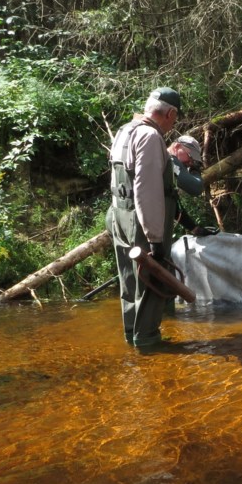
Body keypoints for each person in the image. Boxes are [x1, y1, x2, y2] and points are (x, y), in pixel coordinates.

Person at [107, 86, 183, 348]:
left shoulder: (125, 130)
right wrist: (154, 238)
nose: (174, 124)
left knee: (129, 279)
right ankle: (149, 343)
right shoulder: (150, 136)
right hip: (141, 219)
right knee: (151, 279)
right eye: (175, 118)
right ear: (170, 113)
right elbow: (146, 189)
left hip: (118, 214)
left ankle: (132, 336)